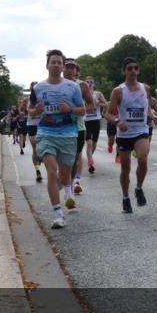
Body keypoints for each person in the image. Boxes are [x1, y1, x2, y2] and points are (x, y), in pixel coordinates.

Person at [30, 50, 85, 228]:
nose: (56, 65)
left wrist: (69, 109)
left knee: (64, 175)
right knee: (52, 172)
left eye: (59, 63)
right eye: (52, 62)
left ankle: (66, 189)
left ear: (62, 67)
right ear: (47, 65)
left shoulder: (72, 87)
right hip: (46, 133)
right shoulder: (38, 88)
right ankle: (58, 215)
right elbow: (30, 110)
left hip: (68, 134)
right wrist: (36, 111)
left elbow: (82, 110)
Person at [106, 58, 152, 212]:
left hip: (141, 131)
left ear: (138, 70)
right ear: (124, 71)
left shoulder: (145, 88)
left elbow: (146, 107)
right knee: (125, 169)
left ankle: (138, 188)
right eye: (129, 68)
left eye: (135, 68)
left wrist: (152, 115)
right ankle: (125, 198)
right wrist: (118, 121)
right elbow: (107, 114)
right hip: (124, 134)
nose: (133, 71)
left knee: (142, 159)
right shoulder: (118, 91)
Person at [63, 59, 94, 195]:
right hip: (58, 127)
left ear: (76, 71)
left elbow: (91, 104)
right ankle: (67, 184)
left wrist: (77, 111)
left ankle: (73, 182)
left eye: (73, 67)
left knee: (75, 157)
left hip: (78, 127)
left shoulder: (82, 85)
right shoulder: (55, 84)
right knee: (63, 158)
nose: (70, 69)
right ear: (63, 69)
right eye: (67, 67)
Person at [84, 77, 107, 174]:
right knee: (89, 143)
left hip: (96, 120)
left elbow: (106, 104)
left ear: (94, 84)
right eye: (87, 82)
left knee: (94, 144)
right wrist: (86, 106)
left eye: (91, 82)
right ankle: (90, 163)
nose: (89, 84)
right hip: (86, 121)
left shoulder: (98, 94)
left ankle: (90, 158)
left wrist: (98, 103)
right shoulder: (82, 94)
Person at [26, 83, 42, 180]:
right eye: (33, 88)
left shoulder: (43, 97)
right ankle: (37, 170)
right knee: (35, 148)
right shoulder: (28, 99)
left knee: (42, 149)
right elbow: (27, 112)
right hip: (32, 125)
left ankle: (40, 167)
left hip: (42, 125)